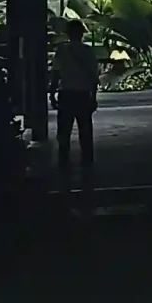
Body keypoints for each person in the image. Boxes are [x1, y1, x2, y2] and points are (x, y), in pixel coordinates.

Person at [52, 18, 100, 189]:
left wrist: (52, 93)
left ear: (67, 33)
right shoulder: (88, 51)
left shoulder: (61, 51)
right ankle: (87, 163)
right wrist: (93, 97)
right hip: (83, 95)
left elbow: (55, 73)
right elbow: (94, 76)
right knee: (85, 131)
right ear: (81, 34)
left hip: (66, 94)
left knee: (64, 132)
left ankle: (64, 162)